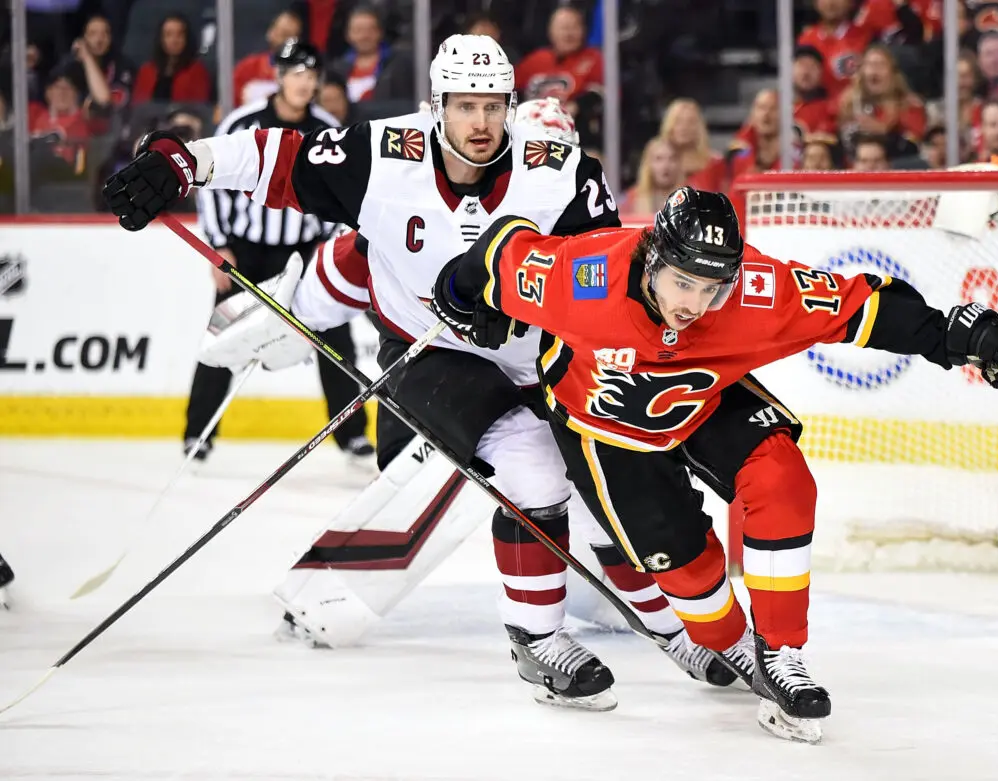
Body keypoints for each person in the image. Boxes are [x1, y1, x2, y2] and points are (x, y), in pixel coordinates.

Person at [103, 34, 735, 711]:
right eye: (465, 106)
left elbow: (607, 274)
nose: (481, 122)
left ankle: (678, 630)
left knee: (610, 483)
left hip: (539, 360)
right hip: (430, 355)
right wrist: (180, 161)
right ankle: (537, 639)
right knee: (532, 464)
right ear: (436, 106)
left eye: (493, 106)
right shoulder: (383, 156)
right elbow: (276, 159)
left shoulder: (560, 171)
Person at [427, 186, 998, 741]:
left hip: (709, 397)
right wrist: (458, 291)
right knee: (695, 588)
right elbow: (504, 249)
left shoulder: (757, 291)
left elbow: (861, 308)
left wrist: (965, 338)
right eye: (682, 283)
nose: (695, 303)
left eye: (712, 288)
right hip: (605, 427)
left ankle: (782, 652)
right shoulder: (583, 279)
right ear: (651, 260)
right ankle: (729, 639)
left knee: (782, 480)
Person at [187, 39, 371, 463]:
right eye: (297, 74)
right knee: (223, 336)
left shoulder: (326, 126)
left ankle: (352, 435)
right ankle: (198, 432)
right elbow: (210, 183)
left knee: (335, 337)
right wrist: (219, 246)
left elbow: (341, 187)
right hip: (246, 253)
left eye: (311, 75)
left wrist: (332, 242)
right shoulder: (242, 123)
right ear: (280, 77)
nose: (305, 83)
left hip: (305, 253)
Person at [130, 13, 212, 105]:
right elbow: (138, 106)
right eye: (168, 35)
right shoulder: (147, 70)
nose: (174, 40)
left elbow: (199, 106)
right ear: (161, 39)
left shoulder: (197, 70)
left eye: (179, 35)